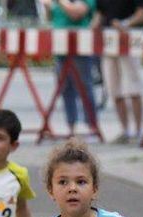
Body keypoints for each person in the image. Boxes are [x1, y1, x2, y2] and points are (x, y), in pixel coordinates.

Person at [42, 0, 98, 138]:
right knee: (65, 88)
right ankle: (71, 126)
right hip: (60, 46)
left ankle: (91, 126)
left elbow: (76, 13)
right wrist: (47, 7)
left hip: (80, 46)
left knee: (84, 86)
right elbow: (50, 17)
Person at [94, 0, 143, 143]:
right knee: (114, 88)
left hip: (129, 39)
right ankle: (125, 130)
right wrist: (93, 26)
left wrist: (126, 24)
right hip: (108, 40)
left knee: (133, 86)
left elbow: (142, 14)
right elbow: (100, 13)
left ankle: (138, 130)